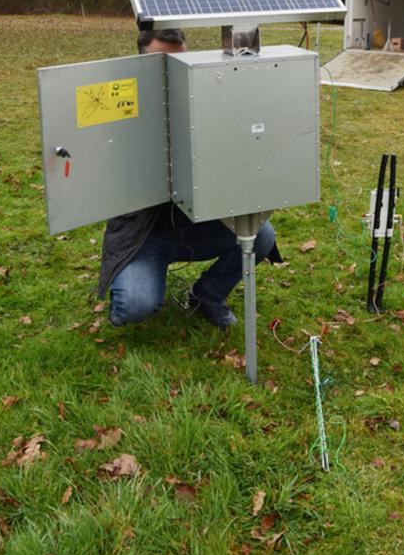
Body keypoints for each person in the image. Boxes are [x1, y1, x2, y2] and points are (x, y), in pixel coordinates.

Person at [98, 28, 279, 330]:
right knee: (135, 305)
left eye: (179, 61)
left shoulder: (207, 98)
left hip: (203, 223)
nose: (172, 71)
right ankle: (129, 289)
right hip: (146, 235)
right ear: (141, 61)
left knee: (261, 236)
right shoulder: (121, 110)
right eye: (162, 62)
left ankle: (206, 296)